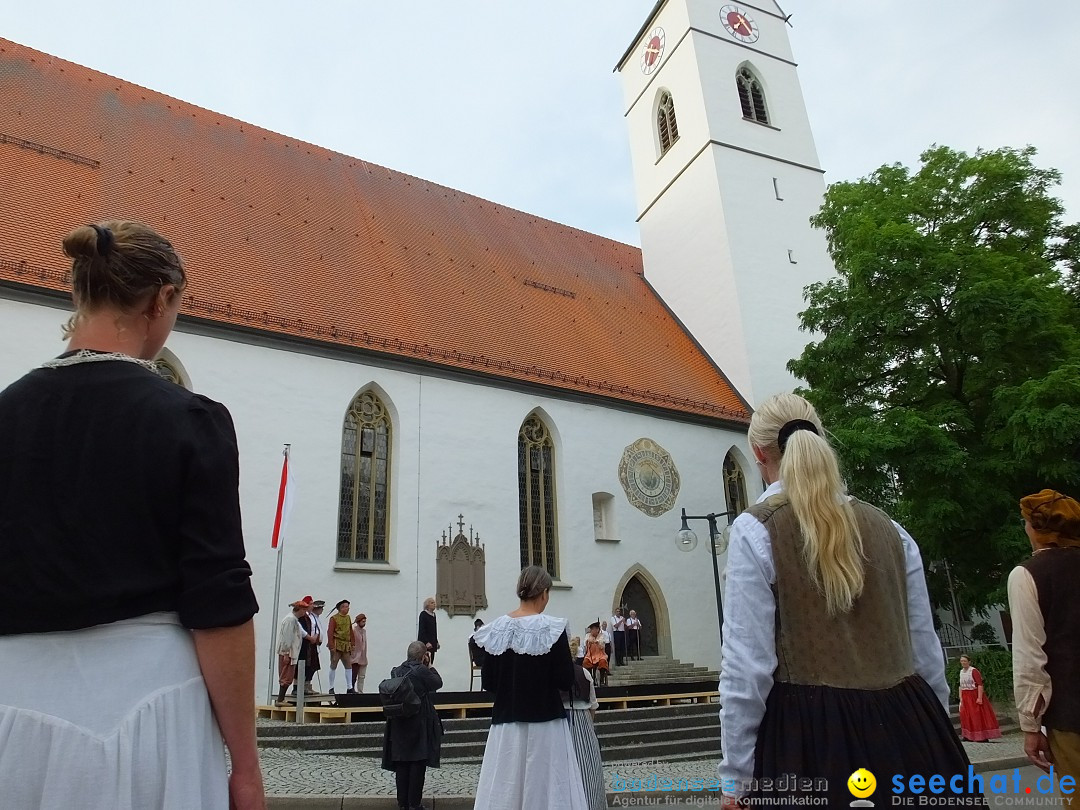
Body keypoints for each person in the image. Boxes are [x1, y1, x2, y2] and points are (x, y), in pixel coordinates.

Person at [0, 221, 265, 809]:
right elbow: (218, 605)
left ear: (79, 292)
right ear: (160, 299)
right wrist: (244, 766)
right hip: (146, 710)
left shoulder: (6, 413)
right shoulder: (190, 421)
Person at [718, 393, 973, 808]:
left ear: (758, 453)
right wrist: (933, 729)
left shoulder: (756, 531)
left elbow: (746, 669)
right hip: (910, 730)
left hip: (811, 740)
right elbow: (925, 652)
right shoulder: (892, 530)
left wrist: (737, 778)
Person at [472, 566, 588, 810]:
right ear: (544, 593)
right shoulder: (552, 629)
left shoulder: (496, 630)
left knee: (505, 788)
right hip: (546, 726)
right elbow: (565, 679)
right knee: (547, 787)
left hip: (506, 725)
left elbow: (489, 682)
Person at [1009, 489, 1080, 779]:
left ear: (1036, 529)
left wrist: (1030, 726)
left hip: (1070, 714)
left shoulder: (1027, 575)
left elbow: (1029, 657)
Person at [381, 641, 444, 810]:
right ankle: (414, 804)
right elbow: (438, 683)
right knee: (417, 761)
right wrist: (430, 665)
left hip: (399, 721)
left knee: (402, 763)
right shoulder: (422, 671)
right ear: (423, 656)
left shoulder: (396, 671)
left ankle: (402, 804)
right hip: (418, 721)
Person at [564, 637, 606, 810]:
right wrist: (589, 726)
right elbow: (593, 705)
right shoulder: (584, 673)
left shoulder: (551, 675)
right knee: (586, 768)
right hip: (583, 720)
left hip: (561, 722)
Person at [958, 654, 1002, 742]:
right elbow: (960, 686)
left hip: (973, 694)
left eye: (965, 661)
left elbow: (979, 685)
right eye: (962, 661)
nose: (963, 663)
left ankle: (981, 736)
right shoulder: (961, 671)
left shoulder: (973, 671)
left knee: (976, 716)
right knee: (966, 716)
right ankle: (968, 735)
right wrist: (961, 698)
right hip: (965, 695)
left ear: (969, 662)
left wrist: (979, 698)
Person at [276, 601, 307, 705]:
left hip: (291, 651)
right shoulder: (290, 620)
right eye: (304, 610)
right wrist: (286, 652)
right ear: (300, 609)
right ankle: (280, 699)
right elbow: (287, 637)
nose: (305, 612)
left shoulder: (294, 620)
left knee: (288, 675)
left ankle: (281, 698)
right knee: (286, 675)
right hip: (289, 652)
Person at [326, 599, 354, 695]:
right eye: (346, 606)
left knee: (348, 665)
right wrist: (331, 645)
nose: (348, 608)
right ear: (341, 608)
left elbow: (350, 631)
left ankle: (350, 687)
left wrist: (352, 643)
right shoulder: (334, 618)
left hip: (346, 644)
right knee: (333, 664)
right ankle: (331, 687)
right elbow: (330, 632)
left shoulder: (348, 618)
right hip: (336, 643)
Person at [582, 622, 609, 687]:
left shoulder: (602, 635)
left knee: (603, 662)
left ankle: (602, 680)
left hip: (600, 655)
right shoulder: (588, 635)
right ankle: (591, 679)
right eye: (591, 629)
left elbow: (602, 645)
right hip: (590, 656)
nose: (591, 631)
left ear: (597, 629)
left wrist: (597, 642)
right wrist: (588, 641)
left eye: (593, 629)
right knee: (585, 662)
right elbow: (585, 643)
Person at [418, 597, 439, 664]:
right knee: (425, 662)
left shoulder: (433, 615)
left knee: (431, 662)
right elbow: (422, 629)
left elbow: (433, 630)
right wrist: (426, 642)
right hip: (425, 644)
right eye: (432, 603)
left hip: (432, 643)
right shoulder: (423, 614)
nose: (434, 604)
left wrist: (436, 641)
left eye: (434, 603)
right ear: (427, 605)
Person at [351, 613, 369, 693]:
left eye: (365, 622)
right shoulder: (354, 630)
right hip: (355, 657)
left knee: (362, 676)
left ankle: (360, 691)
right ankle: (351, 689)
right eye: (362, 622)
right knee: (353, 675)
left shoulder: (364, 631)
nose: (364, 623)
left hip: (363, 656)